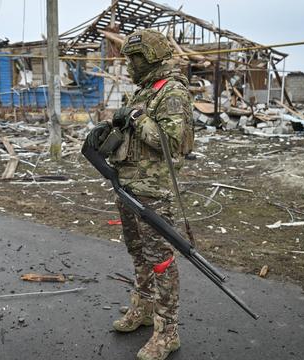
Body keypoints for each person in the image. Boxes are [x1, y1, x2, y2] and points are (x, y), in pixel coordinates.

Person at [85, 29, 194, 360]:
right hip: (127, 186)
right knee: (138, 253)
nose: (129, 66)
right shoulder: (143, 92)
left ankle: (167, 331)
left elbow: (173, 144)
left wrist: (136, 117)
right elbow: (131, 134)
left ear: (150, 58)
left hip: (152, 193)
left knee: (160, 260)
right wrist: (109, 131)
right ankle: (143, 309)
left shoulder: (171, 93)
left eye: (134, 59)